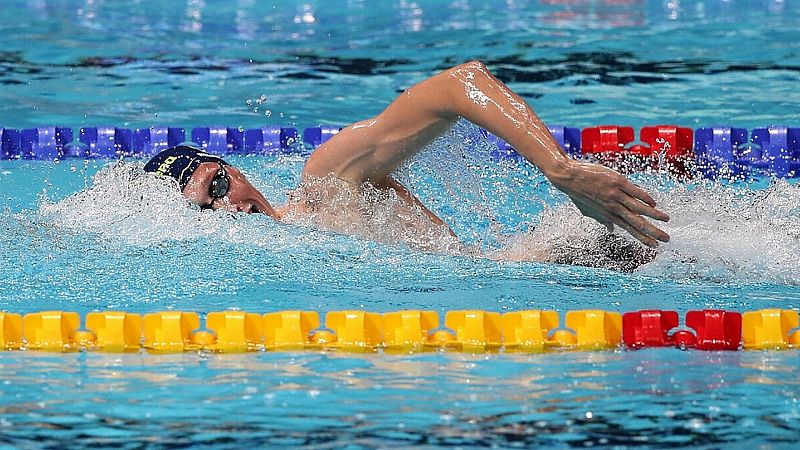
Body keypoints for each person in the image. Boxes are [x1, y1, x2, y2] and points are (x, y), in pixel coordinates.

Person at [144, 61, 670, 257]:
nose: (229, 209)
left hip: (574, 250)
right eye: (205, 211)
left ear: (232, 168)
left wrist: (561, 170)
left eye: (217, 187)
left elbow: (459, 84)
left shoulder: (326, 185)